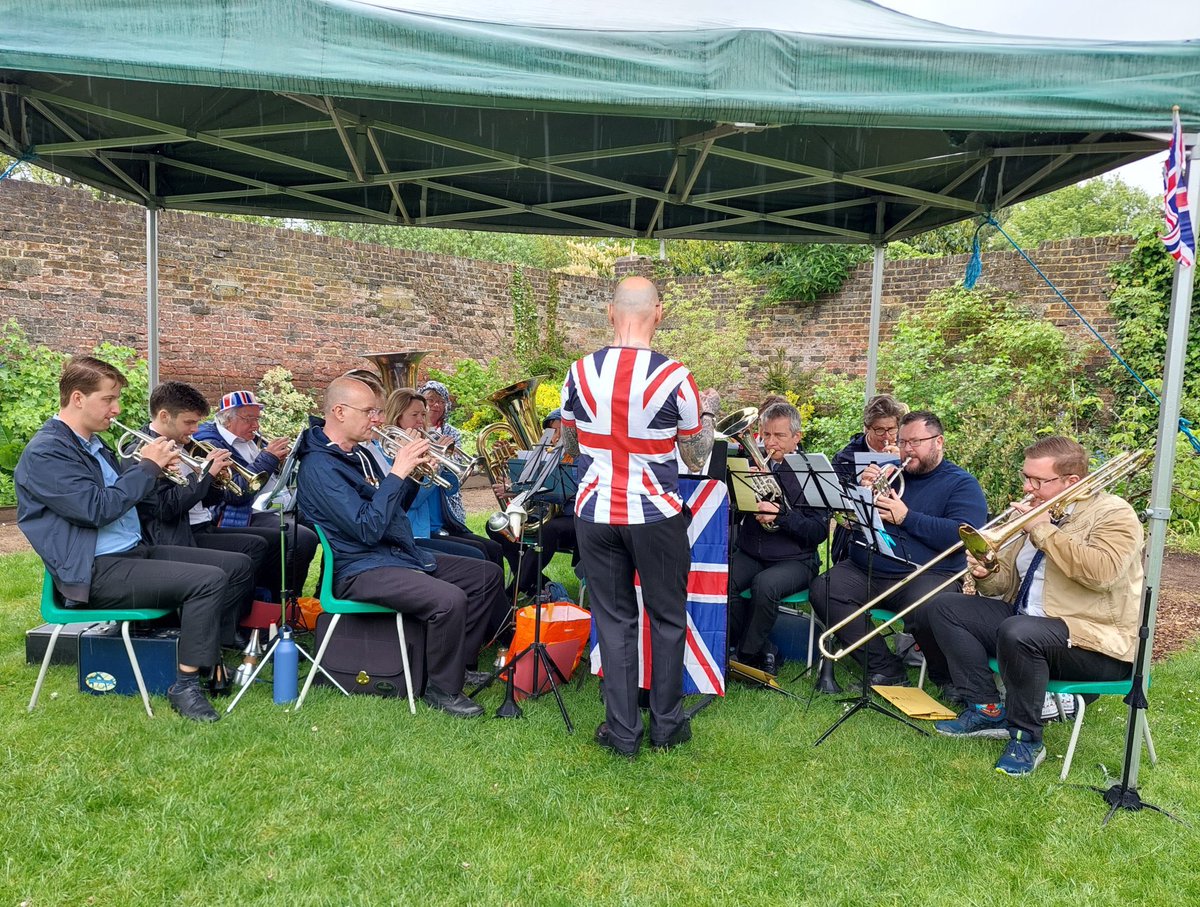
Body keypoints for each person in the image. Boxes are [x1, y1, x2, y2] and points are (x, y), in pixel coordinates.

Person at [14, 356, 239, 722]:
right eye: (109, 399)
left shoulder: (93, 445)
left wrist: (157, 472)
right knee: (208, 580)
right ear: (77, 398)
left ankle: (209, 656)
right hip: (93, 571)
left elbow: (125, 494)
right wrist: (147, 467)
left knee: (233, 565)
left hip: (130, 553)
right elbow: (96, 509)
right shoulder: (47, 451)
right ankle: (185, 684)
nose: (116, 409)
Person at [561, 275, 719, 757]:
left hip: (594, 512)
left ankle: (623, 732)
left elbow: (569, 445)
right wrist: (707, 413)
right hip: (657, 515)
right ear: (659, 313)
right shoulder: (676, 378)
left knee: (613, 621)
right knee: (668, 618)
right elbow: (696, 458)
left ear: (611, 313)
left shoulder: (578, 372)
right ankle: (667, 726)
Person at [926, 437, 1143, 776]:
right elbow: (1006, 586)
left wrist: (1041, 530)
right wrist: (987, 572)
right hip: (1027, 624)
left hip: (1095, 641)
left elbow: (1102, 573)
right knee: (944, 607)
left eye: (1038, 481)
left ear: (1071, 482)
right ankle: (987, 708)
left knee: (1019, 631)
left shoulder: (1114, 514)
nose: (1028, 488)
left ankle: (1026, 738)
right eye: (1025, 477)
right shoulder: (1034, 513)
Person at [295, 376, 508, 717]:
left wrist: (413, 476)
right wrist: (397, 473)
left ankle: (457, 665)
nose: (377, 419)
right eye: (369, 411)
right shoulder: (319, 467)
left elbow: (392, 508)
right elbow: (367, 528)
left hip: (391, 553)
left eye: (377, 411)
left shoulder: (354, 454)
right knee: (448, 599)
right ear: (338, 412)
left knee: (485, 575)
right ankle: (442, 690)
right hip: (360, 568)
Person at [809, 411, 988, 689]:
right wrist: (862, 493)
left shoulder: (961, 484)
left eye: (915, 442)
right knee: (825, 588)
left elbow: (964, 535)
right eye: (903, 442)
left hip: (927, 573)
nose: (907, 449)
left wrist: (907, 518)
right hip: (870, 566)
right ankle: (884, 668)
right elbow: (856, 520)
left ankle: (945, 677)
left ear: (938, 442)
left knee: (930, 607)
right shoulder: (890, 471)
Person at [136, 380, 269, 619]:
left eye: (196, 422)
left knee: (257, 544)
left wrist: (219, 480)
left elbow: (205, 501)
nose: (195, 429)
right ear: (164, 416)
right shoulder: (146, 450)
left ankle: (241, 618)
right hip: (171, 537)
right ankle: (220, 628)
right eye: (189, 422)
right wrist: (207, 475)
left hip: (197, 526)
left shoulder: (185, 445)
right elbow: (166, 508)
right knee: (240, 563)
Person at [728, 401, 829, 676]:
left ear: (797, 437)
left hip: (795, 559)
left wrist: (781, 515)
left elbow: (817, 532)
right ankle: (763, 648)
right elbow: (734, 513)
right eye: (766, 435)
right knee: (723, 582)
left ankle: (746, 657)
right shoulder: (750, 465)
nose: (771, 442)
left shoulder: (813, 474)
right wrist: (743, 490)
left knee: (765, 585)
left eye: (780, 436)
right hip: (752, 550)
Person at [193, 390, 319, 600]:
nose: (256, 425)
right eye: (248, 419)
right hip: (238, 514)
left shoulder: (250, 439)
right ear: (227, 420)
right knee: (302, 538)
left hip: (270, 506)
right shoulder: (210, 443)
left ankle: (319, 594)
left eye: (257, 419)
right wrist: (268, 458)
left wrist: (280, 464)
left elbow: (268, 478)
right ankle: (283, 601)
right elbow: (235, 493)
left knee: (322, 521)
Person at [384, 386, 506, 567]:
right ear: (397, 417)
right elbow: (413, 501)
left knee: (493, 548)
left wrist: (445, 460)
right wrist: (436, 466)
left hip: (443, 525)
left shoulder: (426, 443)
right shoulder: (391, 451)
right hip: (418, 531)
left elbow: (451, 489)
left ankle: (506, 595)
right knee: (477, 556)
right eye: (414, 415)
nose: (420, 421)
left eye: (423, 415)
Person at [486, 407, 579, 601]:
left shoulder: (581, 456)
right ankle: (539, 585)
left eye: (561, 431)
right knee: (497, 526)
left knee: (548, 530)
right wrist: (514, 488)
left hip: (576, 519)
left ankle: (511, 594)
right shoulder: (546, 455)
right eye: (552, 432)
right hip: (548, 516)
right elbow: (539, 491)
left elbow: (568, 491)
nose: (556, 437)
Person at [419, 379, 469, 526]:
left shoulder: (452, 433)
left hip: (447, 497)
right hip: (423, 495)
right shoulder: (416, 430)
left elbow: (458, 465)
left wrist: (443, 455)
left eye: (441, 401)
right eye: (430, 400)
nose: (436, 405)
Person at [831, 393, 907, 484]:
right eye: (879, 430)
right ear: (867, 428)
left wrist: (903, 462)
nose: (887, 436)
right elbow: (842, 494)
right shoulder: (844, 458)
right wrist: (862, 488)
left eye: (892, 429)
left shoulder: (908, 449)